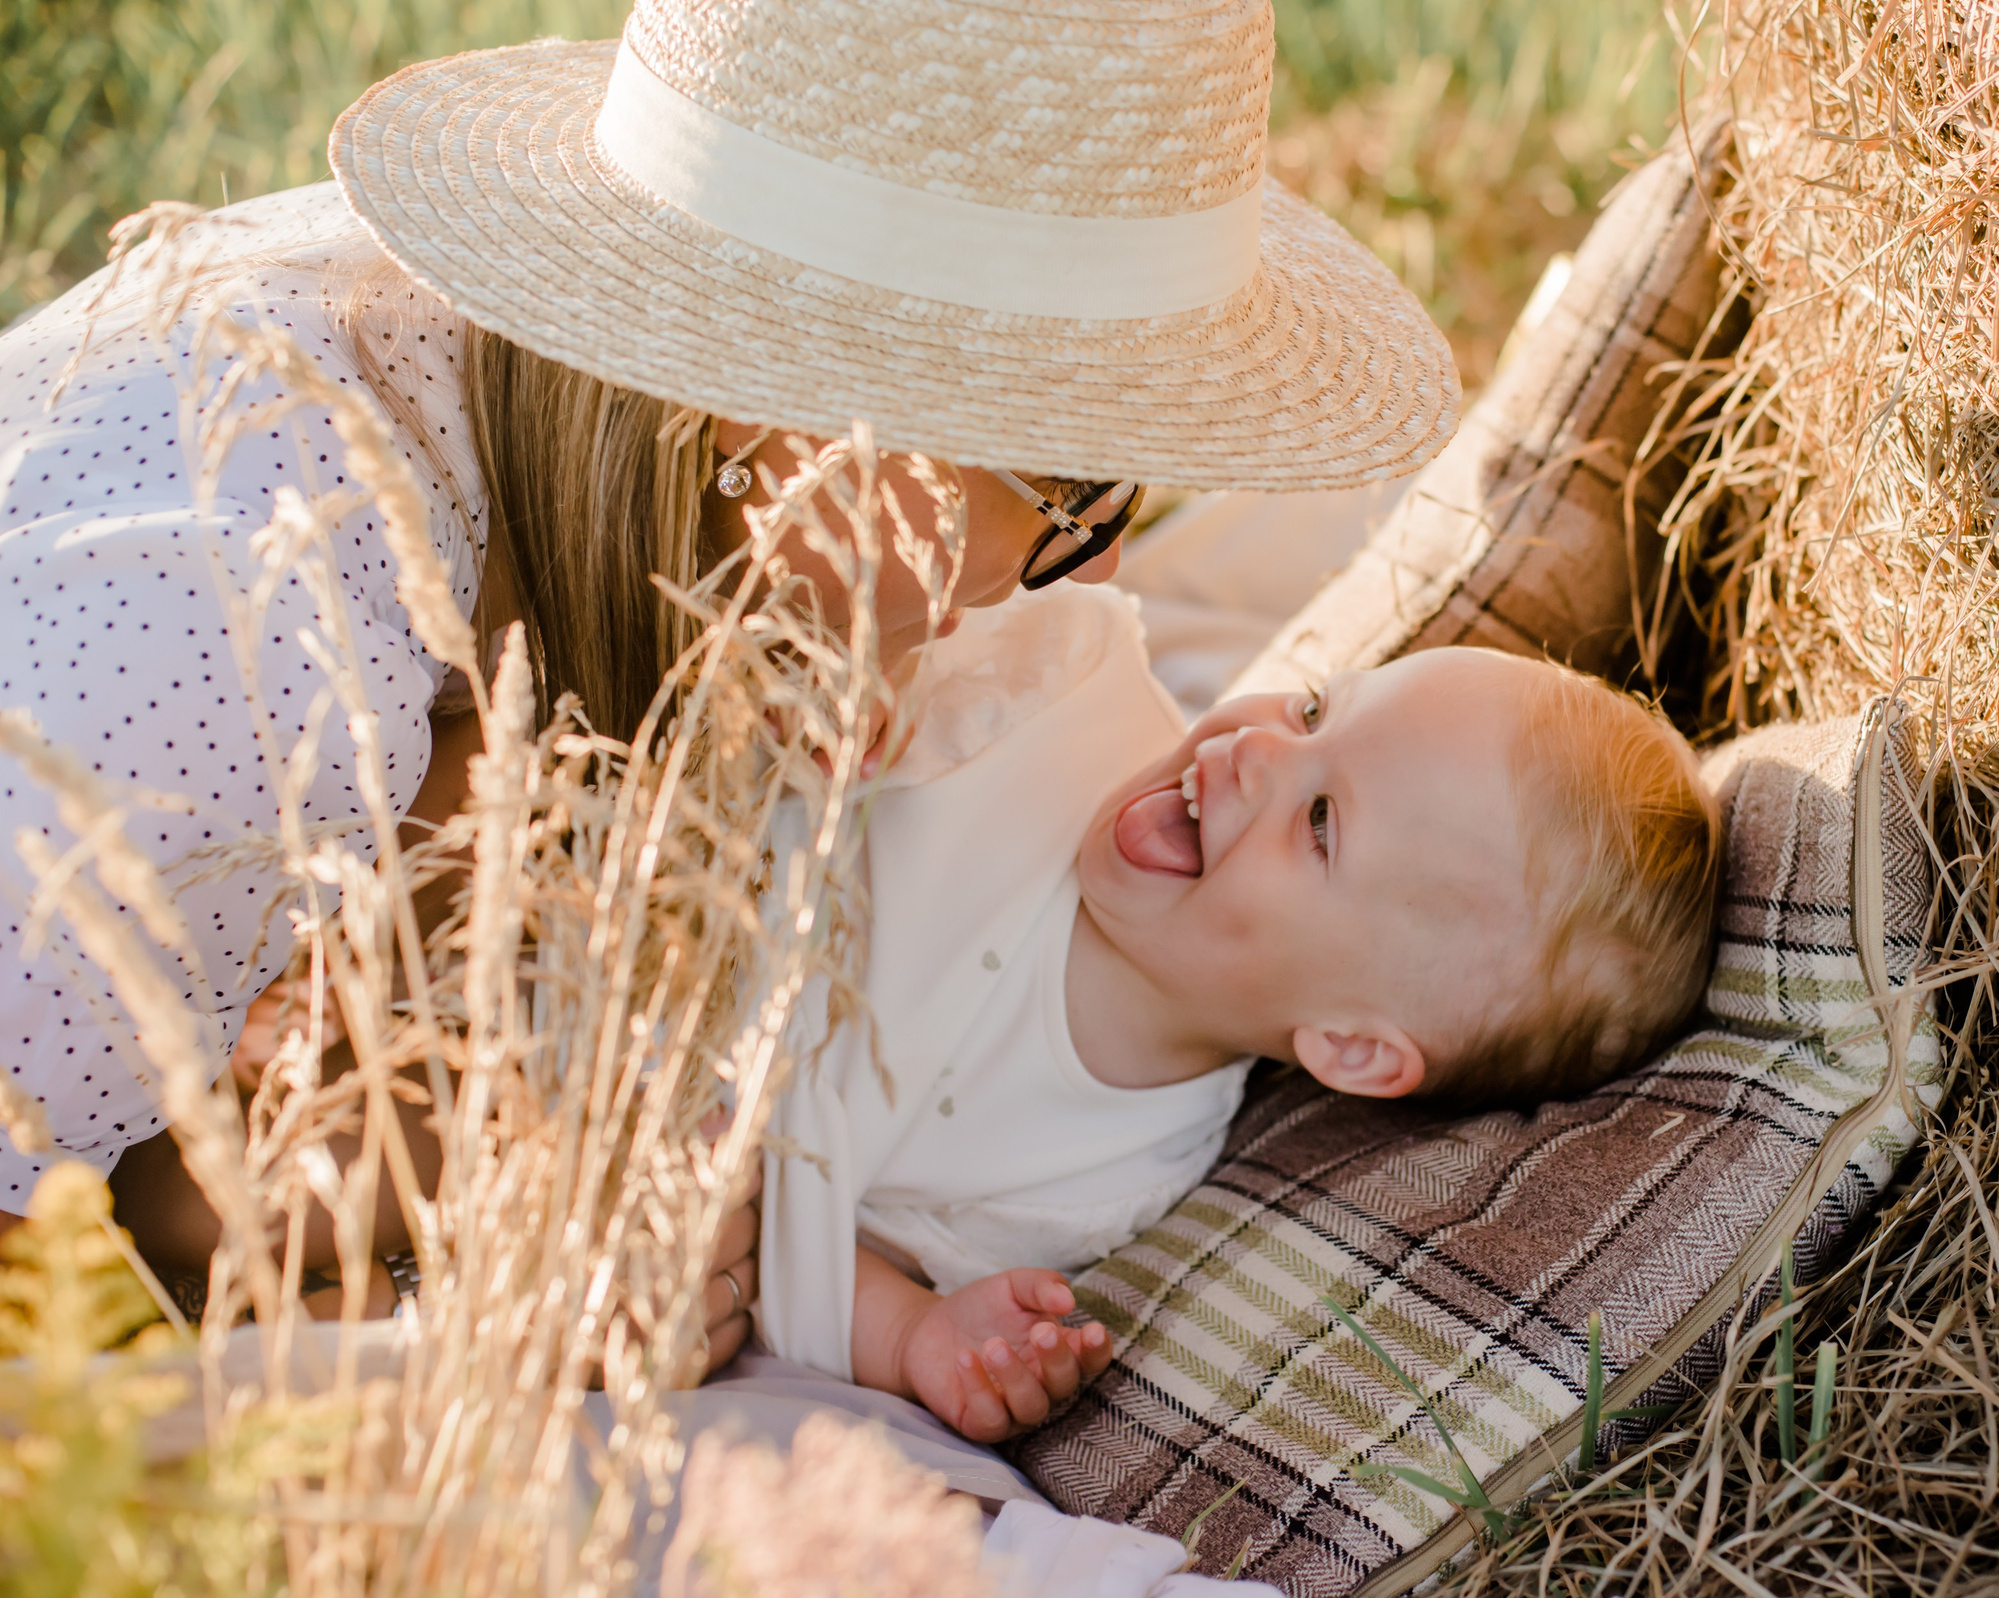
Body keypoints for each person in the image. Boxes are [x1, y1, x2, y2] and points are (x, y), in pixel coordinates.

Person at [0, 0, 1460, 1364]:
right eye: (1072, 477)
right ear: (782, 422)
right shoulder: (228, 635)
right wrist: (462, 1339)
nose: (1077, 580)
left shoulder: (538, 464)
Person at [757, 578, 1721, 1441]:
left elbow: (797, 1241)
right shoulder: (1060, 685)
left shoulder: (1100, 1177)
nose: (1257, 744)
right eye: (1314, 706)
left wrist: (916, 1333)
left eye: (1320, 821)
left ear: (1350, 1043)